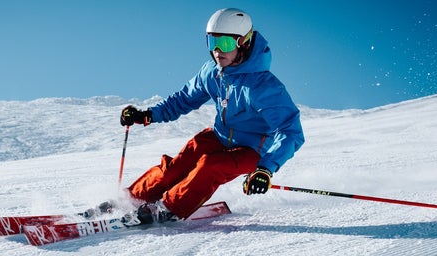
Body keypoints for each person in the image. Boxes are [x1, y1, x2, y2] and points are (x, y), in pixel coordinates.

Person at [118, 8, 305, 225]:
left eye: (224, 43)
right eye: (211, 42)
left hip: (252, 150)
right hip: (218, 136)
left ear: (243, 42)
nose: (217, 50)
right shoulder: (212, 72)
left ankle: (168, 209)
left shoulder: (263, 87)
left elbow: (290, 131)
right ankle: (129, 199)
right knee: (177, 166)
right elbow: (183, 99)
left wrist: (265, 168)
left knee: (211, 165)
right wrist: (147, 115)